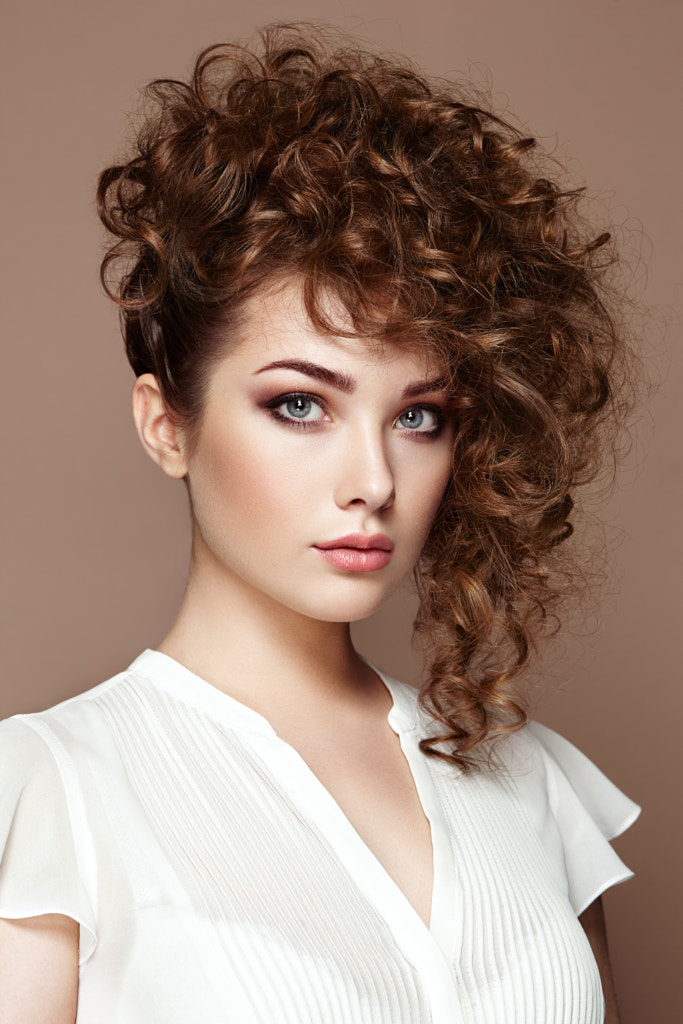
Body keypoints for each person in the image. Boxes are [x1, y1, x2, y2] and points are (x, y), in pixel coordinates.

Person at [0, 23, 640, 1024]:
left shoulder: (533, 783)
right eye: (299, 403)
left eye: (417, 416)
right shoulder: (50, 796)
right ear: (167, 425)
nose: (371, 479)